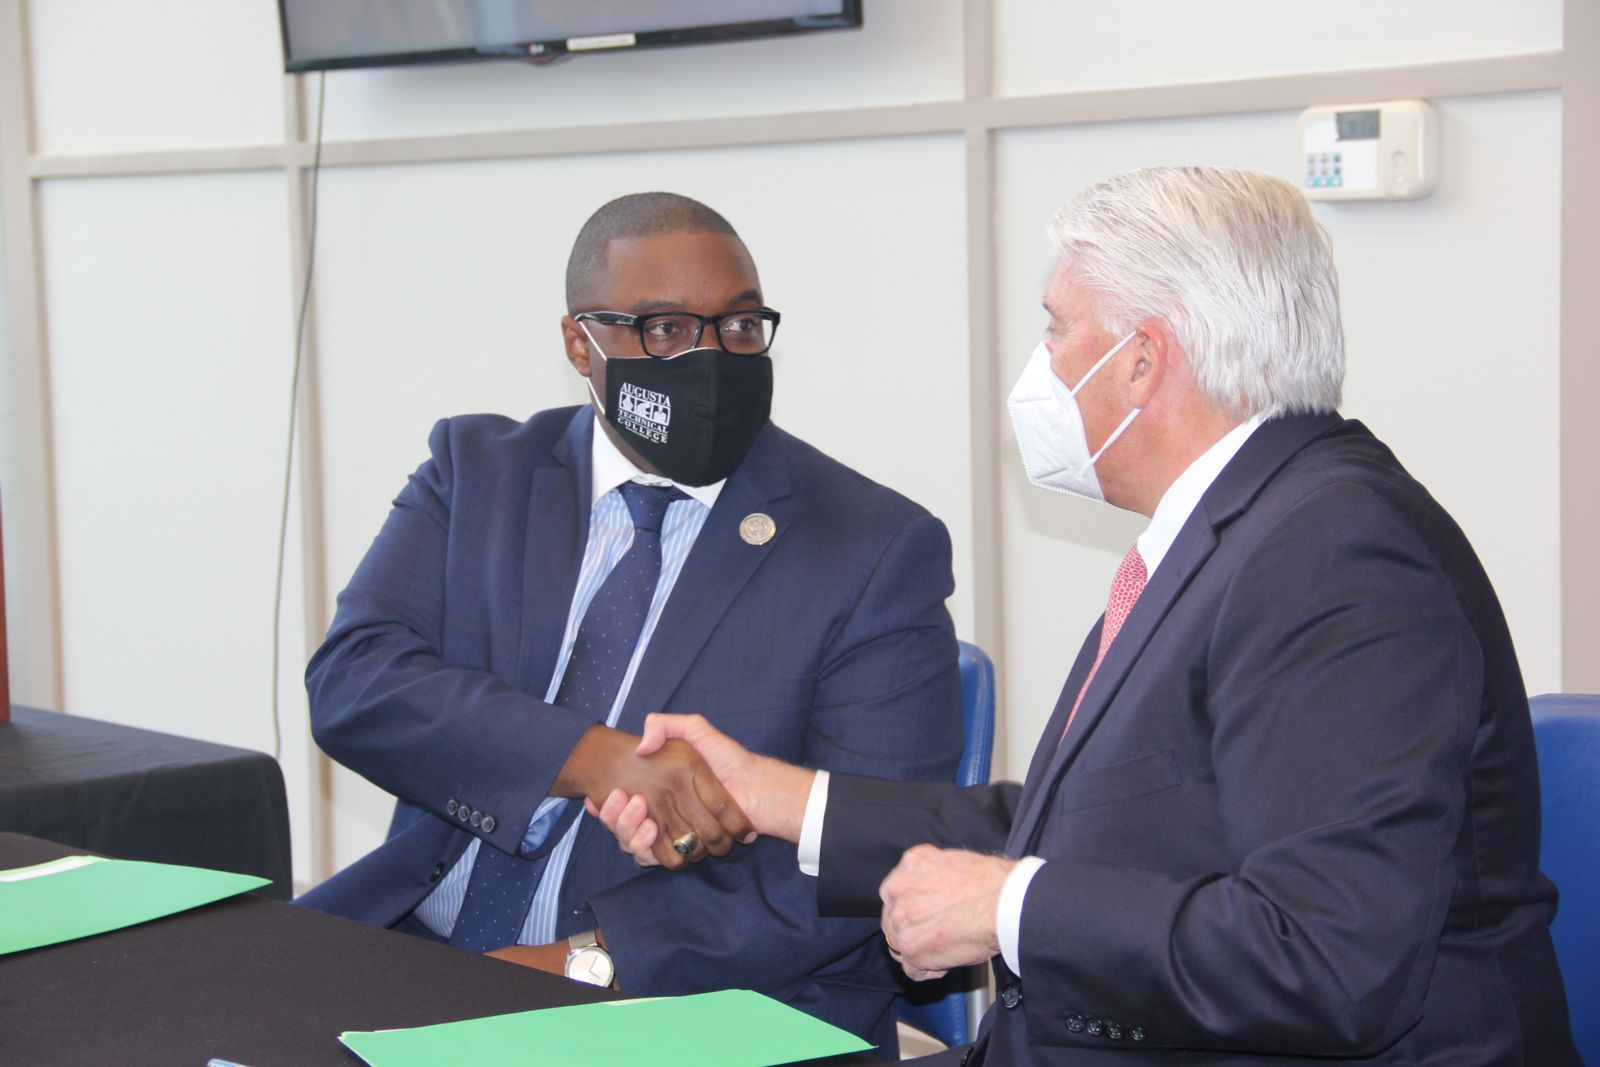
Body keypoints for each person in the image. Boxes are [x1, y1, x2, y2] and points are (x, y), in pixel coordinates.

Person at [595, 168, 1582, 1065]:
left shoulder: (1338, 557)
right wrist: (783, 798)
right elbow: (1097, 823)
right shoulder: (1247, 525)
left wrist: (1010, 905)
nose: (1040, 364)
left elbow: (1327, 955)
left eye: (1056, 327)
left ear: (1143, 361)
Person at [297, 191, 963, 1054]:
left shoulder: (873, 547)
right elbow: (355, 681)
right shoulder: (477, 476)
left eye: (739, 326)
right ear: (582, 343)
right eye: (665, 331)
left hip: (699, 1002)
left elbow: (874, 846)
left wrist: (587, 961)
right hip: (424, 950)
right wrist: (591, 758)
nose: (712, 357)